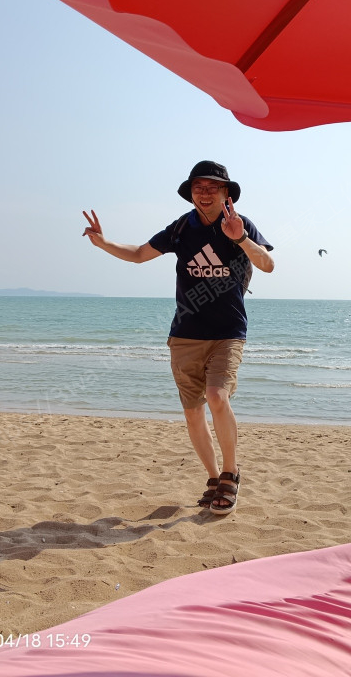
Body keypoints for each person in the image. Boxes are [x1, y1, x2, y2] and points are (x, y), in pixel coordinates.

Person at [82, 160, 274, 515]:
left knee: (217, 396)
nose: (205, 192)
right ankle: (213, 478)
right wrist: (103, 243)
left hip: (228, 332)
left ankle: (231, 474)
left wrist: (241, 238)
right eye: (198, 186)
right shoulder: (182, 228)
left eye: (213, 187)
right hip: (185, 335)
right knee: (192, 412)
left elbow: (267, 265)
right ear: (191, 193)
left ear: (226, 194)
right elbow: (139, 254)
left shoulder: (240, 224)